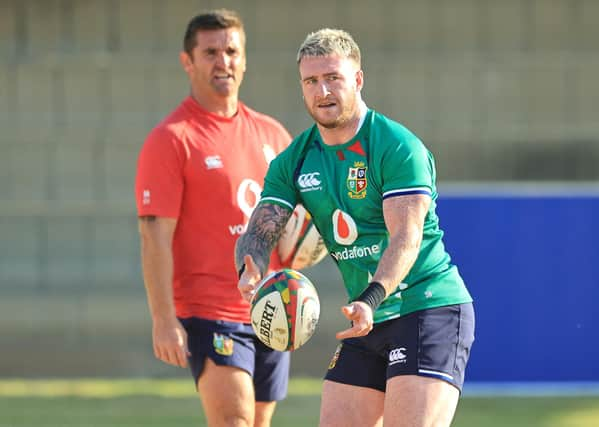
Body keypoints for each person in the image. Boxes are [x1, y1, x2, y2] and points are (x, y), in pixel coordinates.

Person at [235, 29, 475, 427]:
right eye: (311, 81)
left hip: (428, 308)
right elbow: (260, 230)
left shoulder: (397, 146)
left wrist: (371, 298)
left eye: (333, 78)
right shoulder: (293, 161)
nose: (322, 90)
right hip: (367, 319)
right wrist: (251, 267)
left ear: (358, 80)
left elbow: (406, 237)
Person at [134, 10, 292, 427]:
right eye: (210, 52)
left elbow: (294, 225)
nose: (223, 61)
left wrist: (303, 247)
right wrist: (164, 319)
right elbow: (154, 238)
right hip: (210, 310)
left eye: (232, 51)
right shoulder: (172, 139)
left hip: (271, 306)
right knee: (233, 421)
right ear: (188, 61)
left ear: (244, 58)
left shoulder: (273, 134)